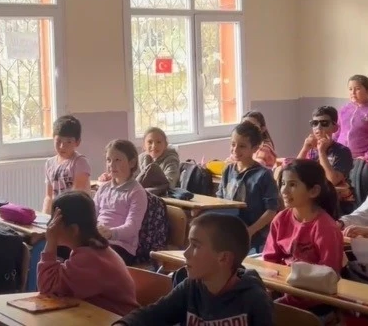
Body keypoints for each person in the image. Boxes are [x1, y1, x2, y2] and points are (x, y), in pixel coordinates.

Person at [113, 213, 274, 326]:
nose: (186, 253)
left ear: (224, 258)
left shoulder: (254, 300)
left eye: (195, 246)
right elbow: (153, 314)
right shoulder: (191, 287)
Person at [37, 191, 139, 316]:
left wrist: (51, 242)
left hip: (117, 320)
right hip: (97, 317)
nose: (49, 226)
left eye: (55, 222)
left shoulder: (90, 258)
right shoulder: (92, 249)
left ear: (74, 229)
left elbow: (47, 287)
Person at [263, 160, 343, 315]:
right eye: (283, 183)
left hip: (314, 299)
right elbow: (270, 260)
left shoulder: (326, 227)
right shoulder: (280, 219)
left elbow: (328, 276)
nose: (284, 190)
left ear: (313, 191)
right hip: (285, 288)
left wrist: (285, 299)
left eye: (292, 184)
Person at [217, 122, 279, 253]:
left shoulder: (263, 175)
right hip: (229, 233)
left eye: (242, 146)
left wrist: (250, 231)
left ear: (255, 149)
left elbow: (271, 210)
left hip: (255, 238)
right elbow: (219, 201)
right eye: (233, 144)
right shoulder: (228, 170)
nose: (235, 150)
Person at [93, 139, 148, 265]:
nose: (111, 165)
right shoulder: (103, 188)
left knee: (94, 256)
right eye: (108, 160)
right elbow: (92, 214)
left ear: (132, 162)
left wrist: (111, 233)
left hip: (122, 247)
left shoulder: (137, 192)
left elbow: (132, 227)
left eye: (117, 160)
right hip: (100, 239)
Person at [298, 106, 356, 214]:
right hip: (315, 197)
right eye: (314, 123)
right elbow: (294, 171)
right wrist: (305, 149)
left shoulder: (342, 151)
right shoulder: (311, 149)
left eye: (324, 123)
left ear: (335, 128)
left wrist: (321, 152)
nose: (318, 127)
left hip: (338, 202)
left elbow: (332, 180)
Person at [42, 115, 91, 214]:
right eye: (58, 141)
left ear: (77, 142)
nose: (62, 146)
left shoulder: (80, 162)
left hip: (77, 213)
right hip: (57, 213)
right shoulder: (49, 163)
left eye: (68, 142)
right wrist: (45, 216)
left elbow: (77, 196)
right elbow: (49, 197)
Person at [334, 75, 368, 169]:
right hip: (340, 158)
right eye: (350, 89)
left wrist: (367, 157)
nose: (353, 92)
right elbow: (336, 133)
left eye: (357, 89)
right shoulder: (345, 109)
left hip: (363, 161)